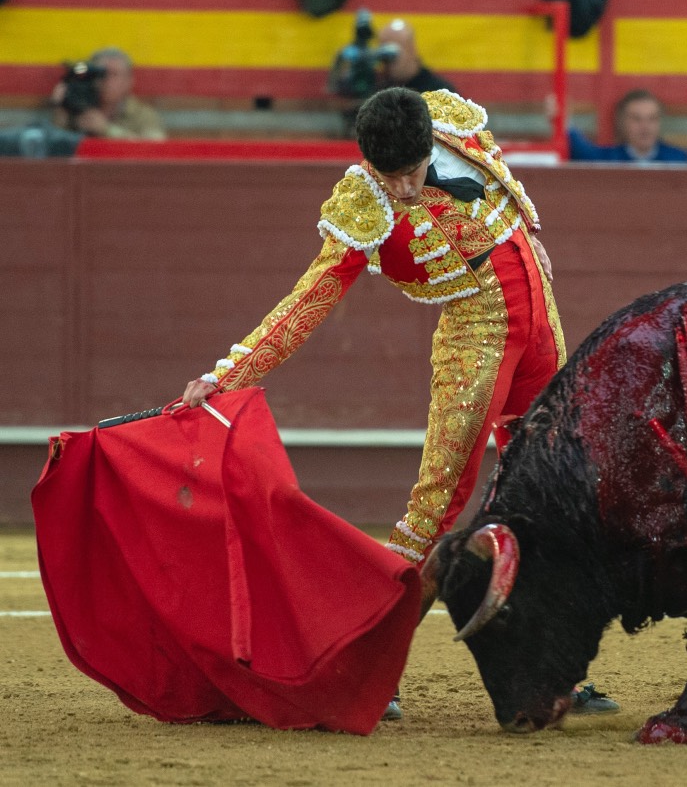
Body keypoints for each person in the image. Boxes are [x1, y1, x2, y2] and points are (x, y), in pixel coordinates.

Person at [181, 86, 618, 720]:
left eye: (412, 173)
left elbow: (498, 173)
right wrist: (230, 373)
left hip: (540, 322)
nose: (407, 190)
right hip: (477, 332)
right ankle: (366, 667)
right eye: (393, 178)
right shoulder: (363, 202)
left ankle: (552, 669)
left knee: (550, 488)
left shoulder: (450, 120)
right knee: (437, 503)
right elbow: (312, 297)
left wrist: (526, 231)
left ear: (428, 144)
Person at [51, 48, 166, 141]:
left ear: (129, 81)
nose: (106, 80)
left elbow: (155, 149)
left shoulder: (143, 115)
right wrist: (60, 110)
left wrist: (106, 130)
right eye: (101, 74)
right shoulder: (77, 108)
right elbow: (54, 152)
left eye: (114, 74)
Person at [568, 89, 687, 164]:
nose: (645, 127)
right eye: (636, 119)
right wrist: (563, 120)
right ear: (622, 122)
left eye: (652, 119)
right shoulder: (610, 159)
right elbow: (583, 152)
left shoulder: (677, 160)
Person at [377, 19, 457, 94]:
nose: (388, 61)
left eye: (393, 54)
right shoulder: (377, 90)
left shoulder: (440, 93)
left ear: (411, 49)